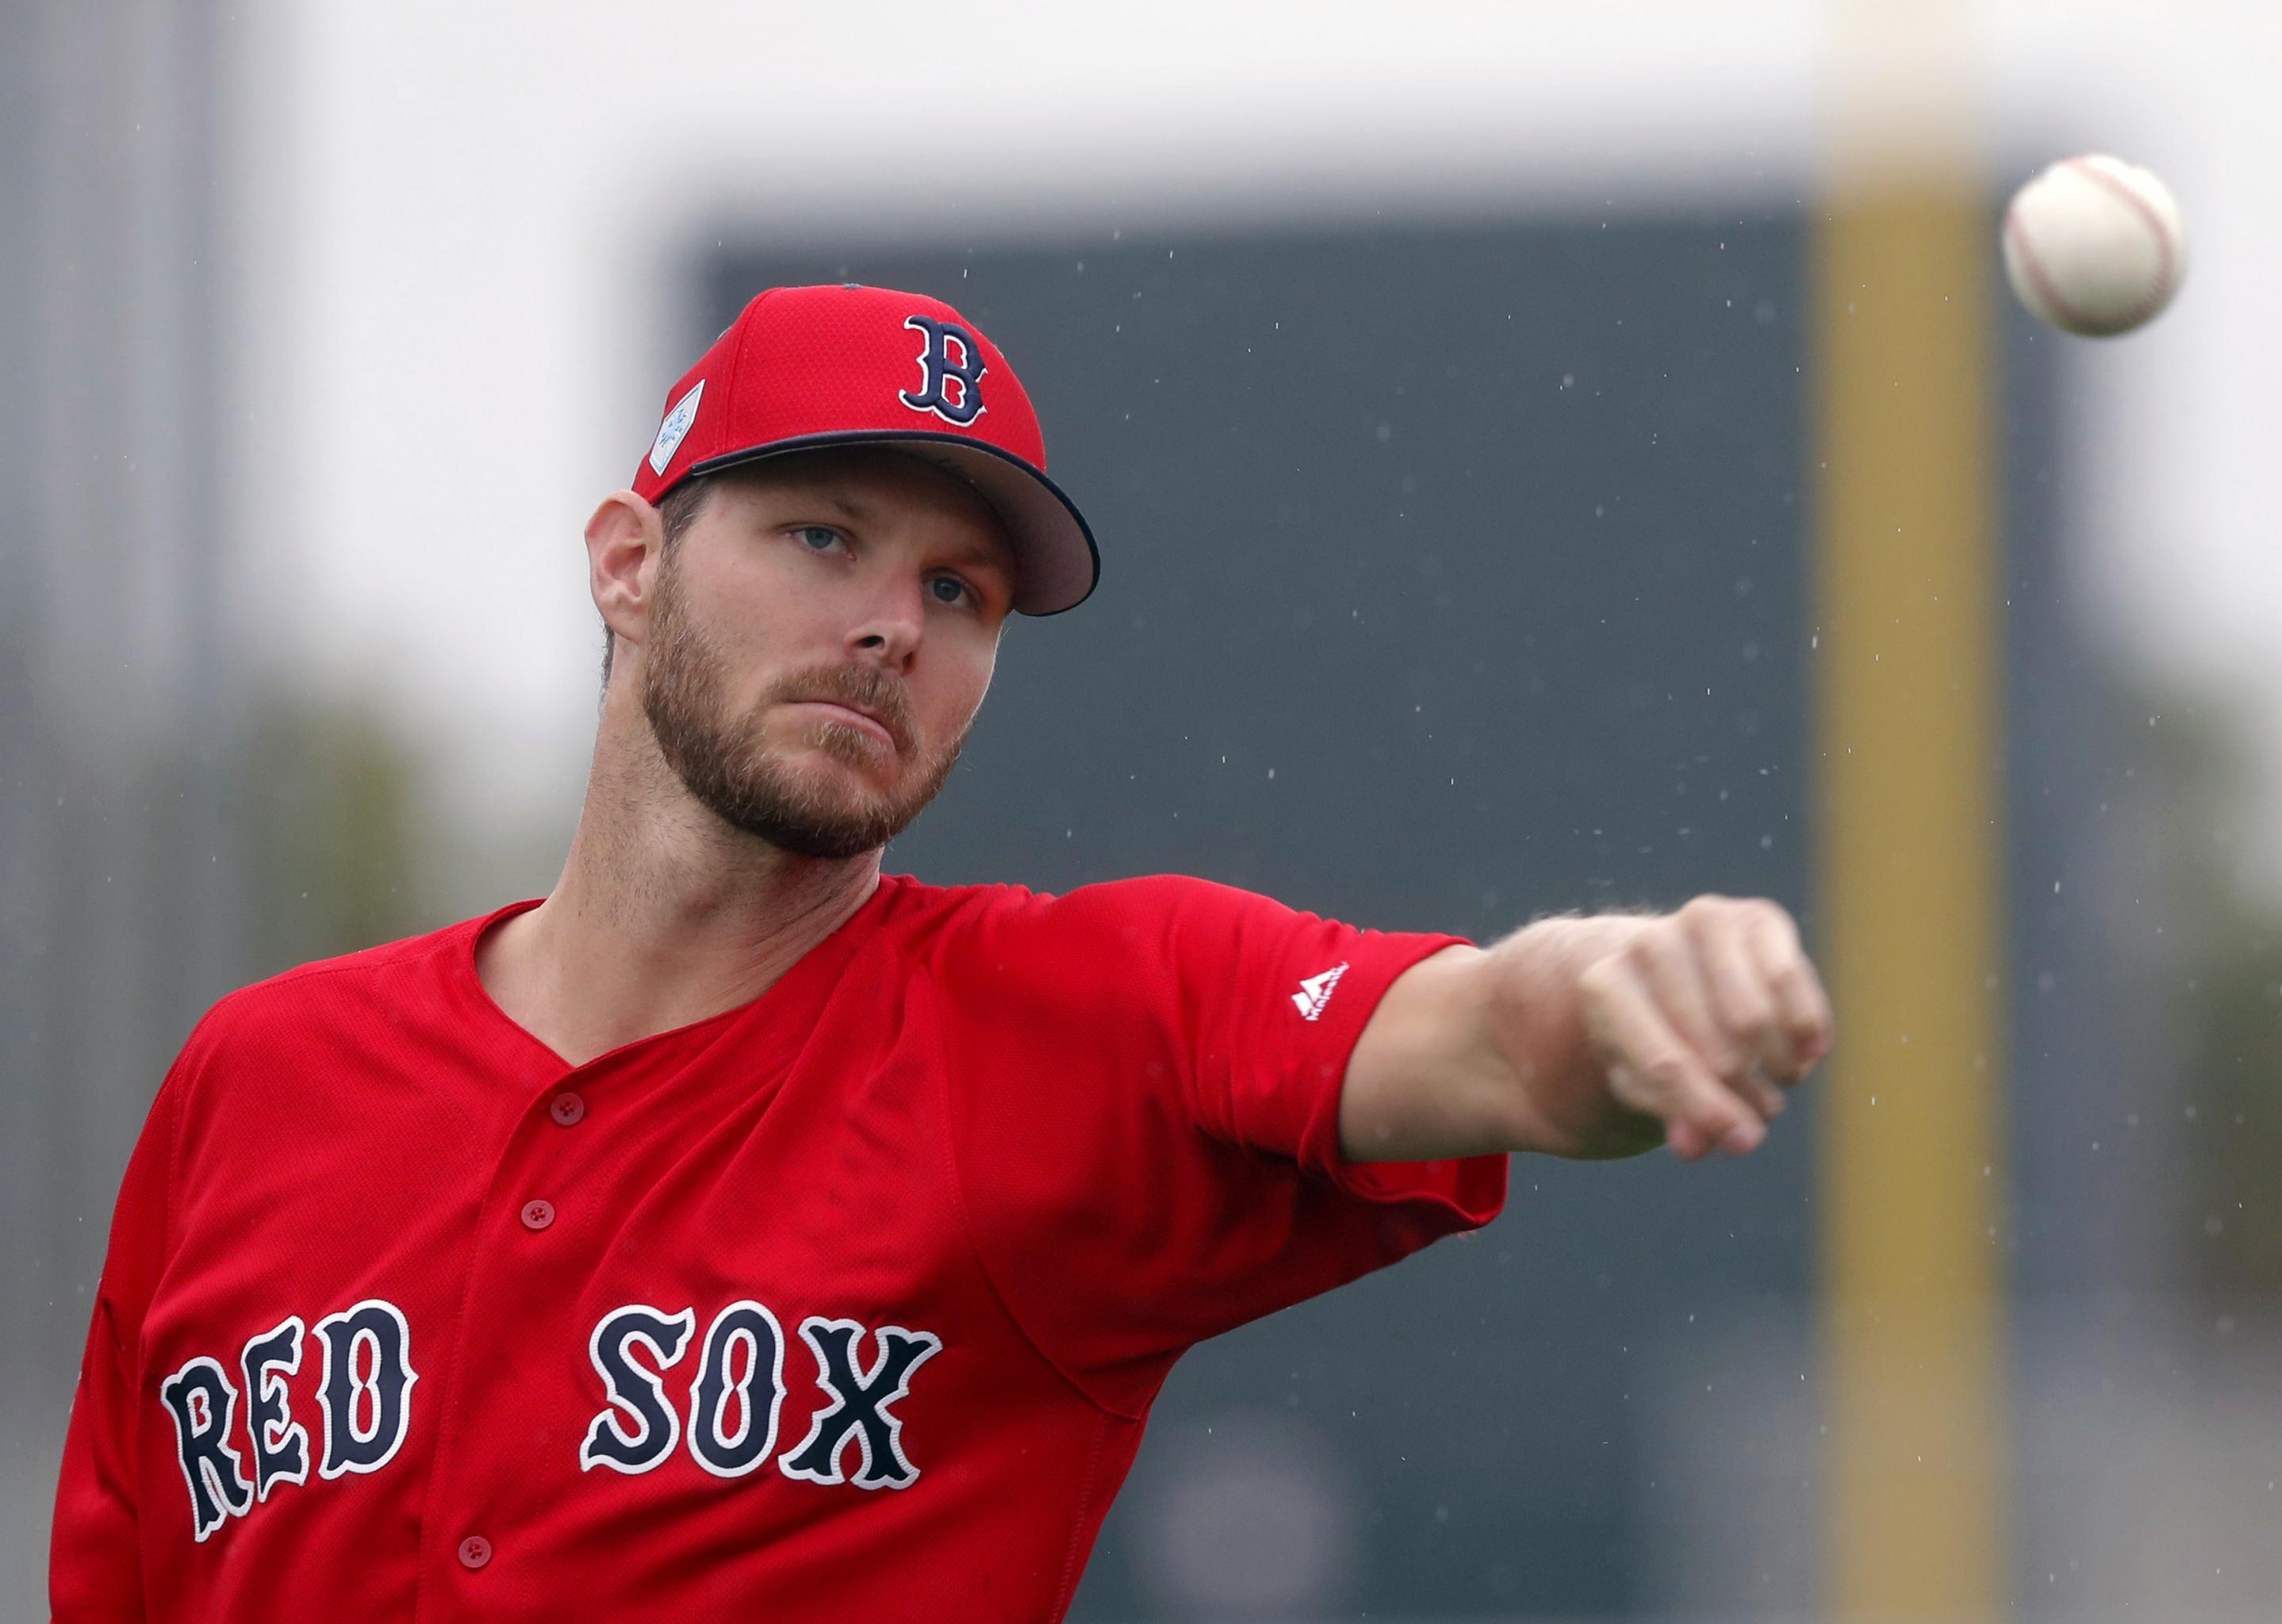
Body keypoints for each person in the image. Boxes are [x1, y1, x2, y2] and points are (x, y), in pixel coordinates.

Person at [50, 284, 1833, 1621]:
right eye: (823, 535)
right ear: (626, 562)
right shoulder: (260, 1079)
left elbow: (1486, 1037)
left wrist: (1616, 986)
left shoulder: (1057, 1019)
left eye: (961, 590)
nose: (893, 624)